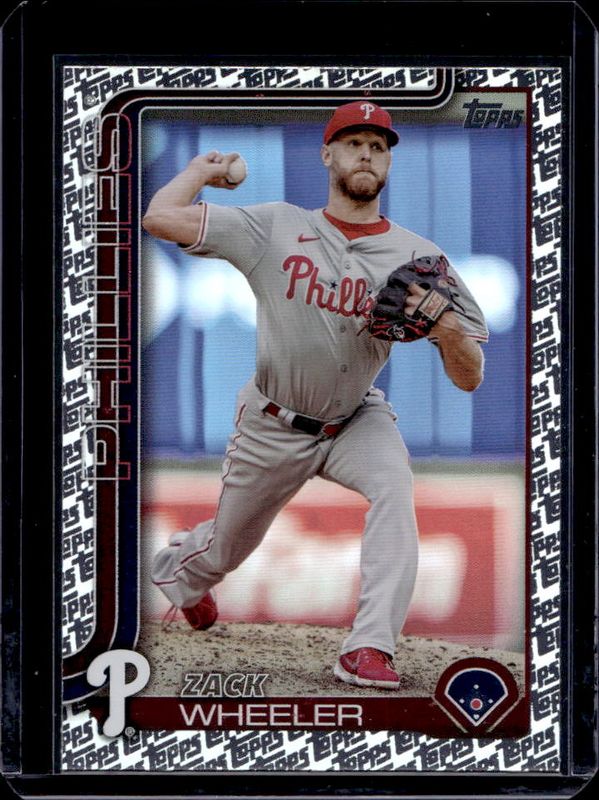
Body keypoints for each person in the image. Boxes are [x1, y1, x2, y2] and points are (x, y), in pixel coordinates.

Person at [142, 101, 488, 689]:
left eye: (378, 147)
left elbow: (470, 377)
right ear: (327, 154)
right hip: (273, 423)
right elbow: (159, 217)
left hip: (356, 419)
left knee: (394, 486)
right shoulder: (275, 227)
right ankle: (184, 573)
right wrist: (201, 171)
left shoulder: (420, 258)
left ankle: (369, 646)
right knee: (224, 552)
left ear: (388, 164)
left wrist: (449, 330)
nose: (367, 155)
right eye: (354, 143)